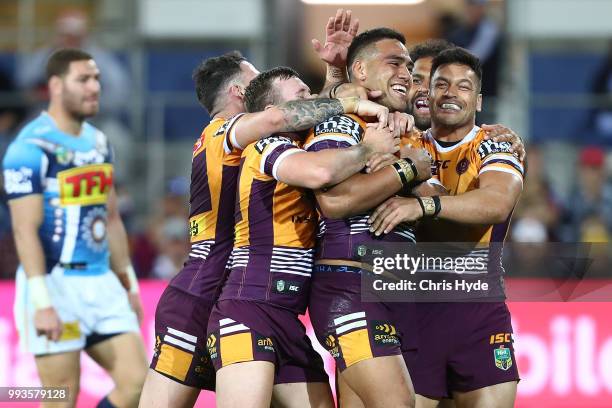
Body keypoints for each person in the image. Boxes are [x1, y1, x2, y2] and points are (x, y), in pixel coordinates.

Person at [139, 39, 389, 408]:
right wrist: (350, 104)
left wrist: (335, 72)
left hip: (255, 298)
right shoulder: (223, 133)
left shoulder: (264, 143)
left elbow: (299, 114)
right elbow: (280, 114)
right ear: (241, 93)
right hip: (202, 295)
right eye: (255, 81)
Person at [206, 66, 398, 408]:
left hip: (287, 319)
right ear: (273, 112)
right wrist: (369, 149)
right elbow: (320, 172)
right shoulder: (266, 145)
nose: (313, 103)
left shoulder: (305, 145)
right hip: (248, 308)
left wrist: (336, 70)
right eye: (302, 97)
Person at [368, 47, 523, 408]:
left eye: (464, 86)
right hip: (414, 309)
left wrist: (421, 204)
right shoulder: (404, 144)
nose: (451, 93)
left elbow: (496, 204)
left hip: (478, 311)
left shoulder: (496, 145)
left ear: (479, 100)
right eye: (441, 84)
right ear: (429, 94)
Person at [3, 48, 146, 408]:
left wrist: (127, 281)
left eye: (96, 78)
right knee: (59, 398)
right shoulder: (30, 146)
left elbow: (110, 217)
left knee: (139, 386)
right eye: (83, 79)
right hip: (55, 284)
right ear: (55, 85)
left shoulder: (99, 143)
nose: (95, 87)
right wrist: (41, 302)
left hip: (101, 285)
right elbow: (24, 229)